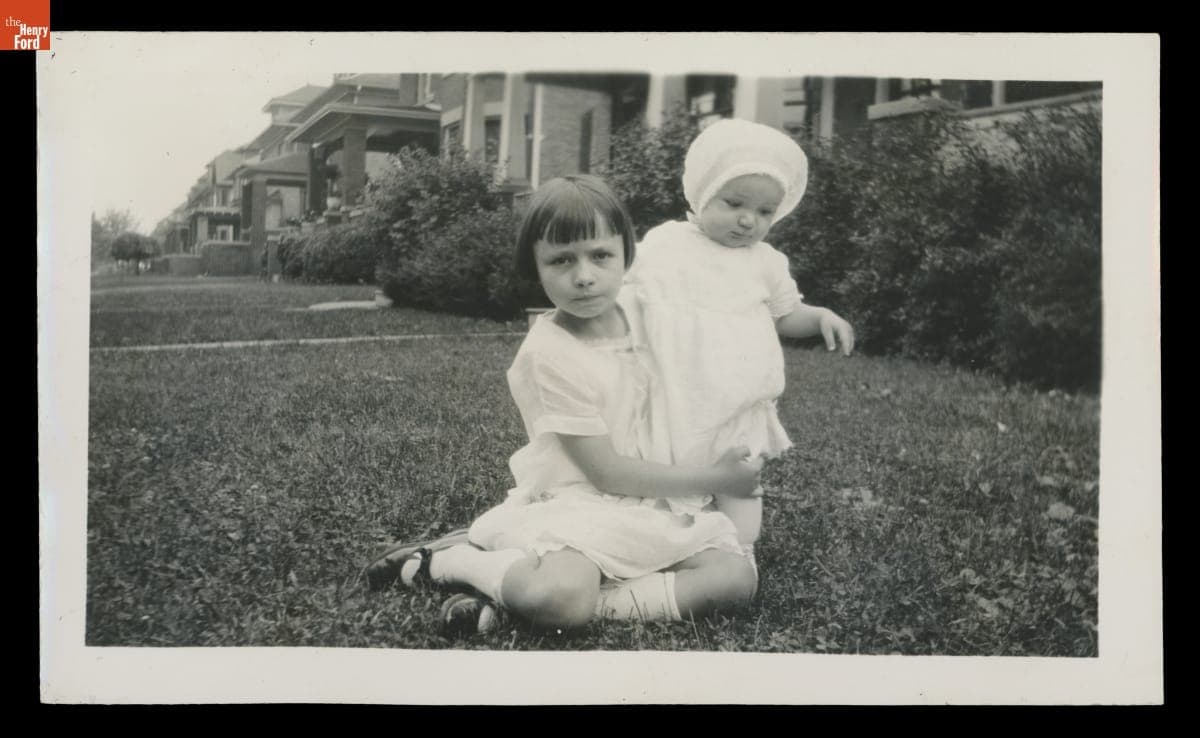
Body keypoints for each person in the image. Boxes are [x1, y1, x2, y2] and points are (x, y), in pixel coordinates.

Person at [365, 175, 761, 635]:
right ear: (535, 268)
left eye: (601, 255)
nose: (584, 275)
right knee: (562, 597)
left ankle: (529, 603)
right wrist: (716, 478)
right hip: (582, 502)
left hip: (654, 504)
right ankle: (452, 562)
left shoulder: (648, 316)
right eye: (561, 260)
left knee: (735, 581)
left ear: (626, 256)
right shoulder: (548, 354)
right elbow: (606, 473)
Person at [624, 117, 856, 546]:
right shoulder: (665, 244)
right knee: (669, 473)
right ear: (704, 192)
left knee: (742, 482)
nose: (749, 220)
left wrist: (820, 316)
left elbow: (787, 314)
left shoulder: (765, 261)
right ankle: (673, 539)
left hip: (738, 400)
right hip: (676, 390)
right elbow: (627, 297)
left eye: (765, 211)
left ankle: (739, 547)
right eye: (734, 203)